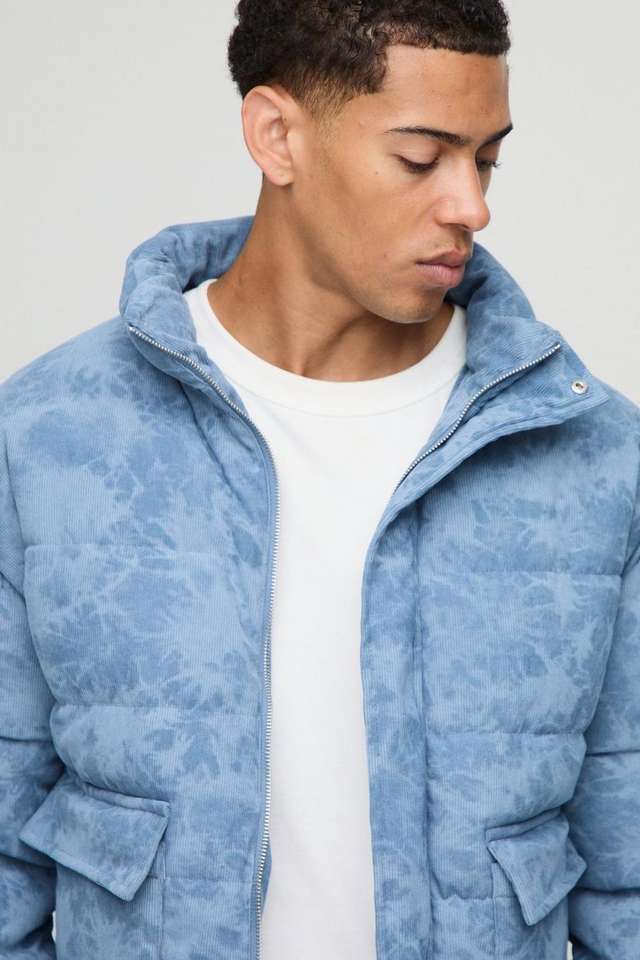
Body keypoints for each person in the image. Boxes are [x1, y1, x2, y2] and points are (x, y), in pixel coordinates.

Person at [1, 2, 638, 959]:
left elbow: (628, 878)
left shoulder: (593, 452)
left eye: (487, 160)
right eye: (421, 158)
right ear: (276, 136)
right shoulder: (50, 436)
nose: (471, 206)